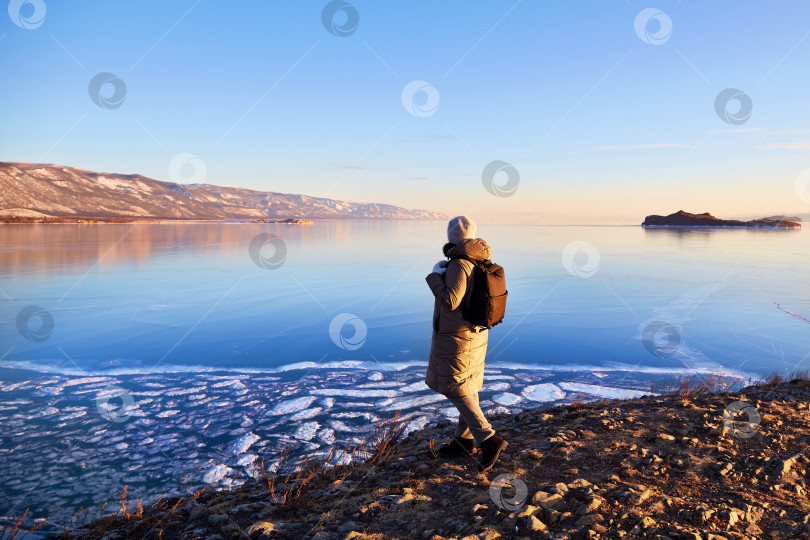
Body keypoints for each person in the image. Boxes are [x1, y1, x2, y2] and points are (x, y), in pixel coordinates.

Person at [425, 216, 508, 472]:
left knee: (454, 385)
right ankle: (464, 440)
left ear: (451, 236)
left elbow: (450, 301)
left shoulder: (460, 264)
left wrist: (434, 278)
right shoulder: (480, 259)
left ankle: (488, 438)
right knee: (467, 383)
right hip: (475, 333)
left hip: (458, 337)